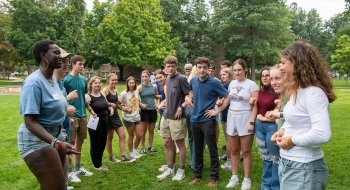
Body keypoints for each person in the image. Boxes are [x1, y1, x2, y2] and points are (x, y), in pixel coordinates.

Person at [271, 40, 336, 190]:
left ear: (296, 63)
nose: (281, 67)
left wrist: (291, 140)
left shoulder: (314, 93)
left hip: (304, 167)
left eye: (283, 63)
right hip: (288, 163)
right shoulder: (297, 91)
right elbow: (293, 121)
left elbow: (322, 134)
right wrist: (283, 131)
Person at [18, 40, 79, 190]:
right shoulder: (33, 83)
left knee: (51, 186)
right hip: (35, 141)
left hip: (54, 137)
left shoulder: (54, 80)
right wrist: (56, 143)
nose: (60, 56)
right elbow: (30, 122)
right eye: (56, 53)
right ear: (43, 55)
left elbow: (58, 106)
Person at [188, 57, 228, 188]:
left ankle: (214, 177)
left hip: (208, 121)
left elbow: (227, 96)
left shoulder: (214, 82)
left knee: (212, 149)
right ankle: (197, 175)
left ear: (208, 68)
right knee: (197, 149)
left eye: (204, 67)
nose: (202, 70)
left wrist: (217, 111)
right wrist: (189, 98)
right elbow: (190, 93)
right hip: (195, 120)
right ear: (196, 68)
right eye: (199, 67)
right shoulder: (193, 81)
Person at [157, 56, 191, 181]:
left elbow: (190, 95)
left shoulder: (181, 79)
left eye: (172, 66)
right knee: (167, 142)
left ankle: (181, 170)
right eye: (168, 66)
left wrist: (181, 106)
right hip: (166, 116)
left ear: (176, 66)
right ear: (165, 67)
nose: (170, 69)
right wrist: (164, 102)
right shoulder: (168, 79)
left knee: (180, 144)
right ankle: (170, 169)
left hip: (177, 118)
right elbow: (170, 95)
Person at [63, 55, 93, 182]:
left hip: (83, 115)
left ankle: (78, 168)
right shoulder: (66, 80)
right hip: (72, 117)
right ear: (73, 64)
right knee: (71, 145)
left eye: (83, 64)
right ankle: (69, 172)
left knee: (80, 143)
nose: (82, 66)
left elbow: (84, 96)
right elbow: (62, 99)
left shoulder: (83, 80)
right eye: (80, 64)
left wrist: (90, 109)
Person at [254, 67, 280, 190]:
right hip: (259, 127)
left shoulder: (277, 93)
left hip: (272, 127)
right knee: (266, 158)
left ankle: (275, 186)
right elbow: (256, 109)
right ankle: (265, 186)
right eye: (262, 75)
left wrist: (264, 118)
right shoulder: (259, 92)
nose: (264, 77)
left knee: (275, 158)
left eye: (267, 75)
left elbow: (279, 114)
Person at [102, 73, 133, 163]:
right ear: (108, 80)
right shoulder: (105, 90)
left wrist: (125, 109)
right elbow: (102, 102)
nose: (115, 81)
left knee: (122, 135)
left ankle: (124, 156)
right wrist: (110, 106)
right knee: (110, 137)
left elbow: (117, 104)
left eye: (116, 80)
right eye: (113, 80)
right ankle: (111, 157)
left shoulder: (115, 90)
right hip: (108, 116)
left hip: (115, 115)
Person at [86, 76, 114, 171]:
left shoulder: (102, 94)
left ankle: (99, 162)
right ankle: (96, 164)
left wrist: (110, 108)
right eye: (95, 83)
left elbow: (107, 105)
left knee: (102, 142)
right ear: (91, 85)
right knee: (95, 143)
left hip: (104, 121)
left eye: (98, 82)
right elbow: (87, 107)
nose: (97, 84)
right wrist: (91, 110)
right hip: (94, 122)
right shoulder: (88, 96)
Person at [119, 76, 143, 159]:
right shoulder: (124, 93)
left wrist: (140, 105)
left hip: (137, 116)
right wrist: (125, 109)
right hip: (128, 118)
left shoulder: (136, 91)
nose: (132, 84)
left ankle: (135, 150)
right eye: (130, 83)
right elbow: (118, 103)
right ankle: (131, 152)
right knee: (131, 136)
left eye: (133, 83)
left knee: (140, 135)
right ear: (127, 84)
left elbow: (137, 101)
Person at [137, 70, 160, 154]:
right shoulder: (139, 87)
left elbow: (157, 96)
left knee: (151, 130)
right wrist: (141, 105)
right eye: (142, 77)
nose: (144, 78)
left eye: (146, 76)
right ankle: (143, 147)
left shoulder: (154, 86)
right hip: (144, 111)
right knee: (143, 130)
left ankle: (150, 146)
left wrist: (158, 104)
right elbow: (134, 99)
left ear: (149, 77)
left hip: (153, 110)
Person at [218, 68, 233, 170]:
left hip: (227, 115)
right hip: (229, 114)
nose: (222, 76)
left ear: (230, 75)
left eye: (225, 74)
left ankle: (229, 162)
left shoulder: (225, 85)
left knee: (229, 140)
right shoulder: (232, 84)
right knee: (231, 140)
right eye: (221, 75)